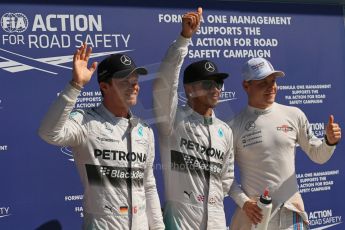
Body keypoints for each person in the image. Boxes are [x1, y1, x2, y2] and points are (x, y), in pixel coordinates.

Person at [38, 44, 164, 230]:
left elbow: (148, 185)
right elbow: (48, 133)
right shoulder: (85, 121)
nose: (134, 87)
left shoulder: (144, 130)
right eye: (125, 81)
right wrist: (76, 85)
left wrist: (159, 228)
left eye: (135, 81)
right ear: (104, 86)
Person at [228, 57, 342, 230]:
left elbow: (318, 156)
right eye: (263, 82)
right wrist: (244, 203)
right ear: (246, 85)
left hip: (292, 213)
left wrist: (329, 142)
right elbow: (225, 176)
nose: (271, 87)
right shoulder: (233, 126)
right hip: (258, 217)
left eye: (273, 81)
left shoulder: (294, 114)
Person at [153, 7, 234, 230]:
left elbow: (226, 178)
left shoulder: (224, 130)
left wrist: (211, 198)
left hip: (217, 221)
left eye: (218, 83)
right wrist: (184, 40)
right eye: (208, 84)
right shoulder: (174, 120)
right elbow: (164, 85)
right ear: (189, 90)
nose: (215, 89)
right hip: (181, 222)